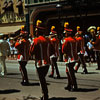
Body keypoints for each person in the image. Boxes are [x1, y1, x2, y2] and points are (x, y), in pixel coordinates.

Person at [30, 20, 54, 100]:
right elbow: (52, 51)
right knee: (42, 79)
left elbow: (31, 52)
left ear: (38, 31)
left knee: (42, 80)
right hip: (47, 63)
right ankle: (44, 95)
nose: (35, 32)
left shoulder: (36, 40)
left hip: (40, 63)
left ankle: (45, 95)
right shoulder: (48, 40)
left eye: (36, 30)